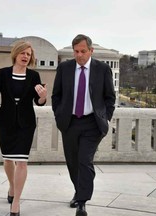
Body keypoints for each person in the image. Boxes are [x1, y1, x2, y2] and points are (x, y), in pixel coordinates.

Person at [0, 41, 47, 216]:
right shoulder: (3, 74)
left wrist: (43, 97)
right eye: (23, 53)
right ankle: (11, 186)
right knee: (8, 160)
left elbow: (38, 103)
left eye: (29, 54)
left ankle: (16, 202)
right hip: (6, 122)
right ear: (16, 54)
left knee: (22, 161)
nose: (26, 56)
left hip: (26, 124)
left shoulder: (34, 76)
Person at [51, 34, 116, 216]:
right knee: (73, 163)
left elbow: (110, 97)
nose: (79, 55)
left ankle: (82, 202)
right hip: (69, 123)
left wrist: (106, 117)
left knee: (84, 161)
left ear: (91, 50)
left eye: (83, 51)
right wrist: (59, 115)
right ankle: (79, 192)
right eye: (76, 51)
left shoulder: (102, 69)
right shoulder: (64, 68)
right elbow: (56, 95)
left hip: (92, 123)